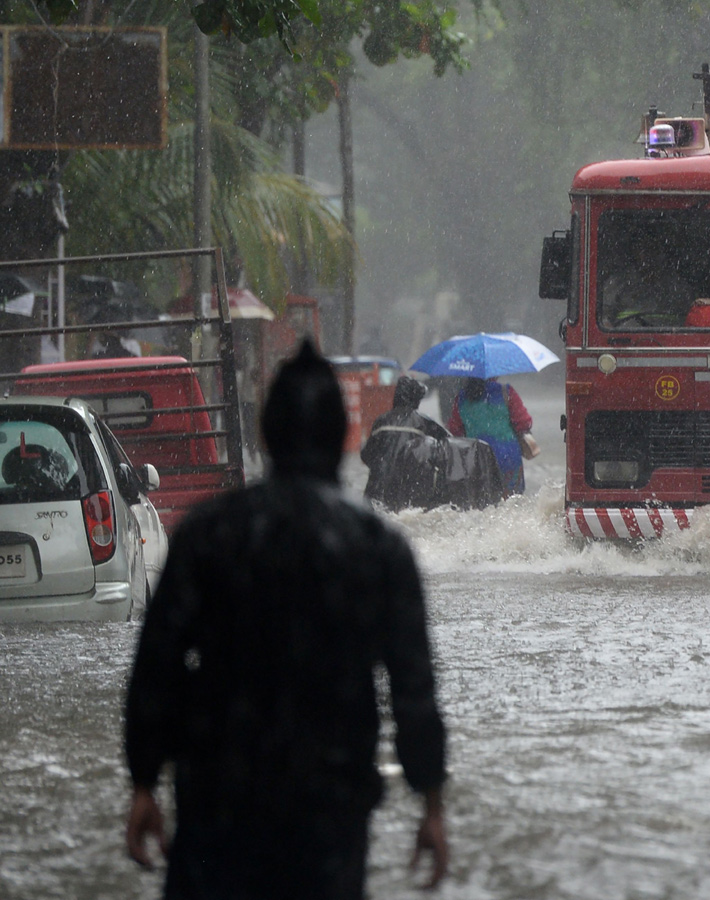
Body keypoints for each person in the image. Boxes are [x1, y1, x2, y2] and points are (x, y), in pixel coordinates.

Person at [123, 340, 449, 897]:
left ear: (267, 436)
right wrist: (431, 804)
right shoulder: (378, 548)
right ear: (338, 437)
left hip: (218, 798)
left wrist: (144, 783)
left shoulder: (208, 533)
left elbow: (157, 663)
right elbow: (412, 689)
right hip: (329, 810)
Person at [362, 375, 504, 511]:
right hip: (404, 486)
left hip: (376, 487)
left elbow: (366, 455)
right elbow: (449, 444)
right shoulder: (423, 422)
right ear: (415, 400)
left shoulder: (381, 421)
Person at [447, 376, 533, 496]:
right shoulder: (506, 392)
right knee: (512, 502)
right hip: (508, 458)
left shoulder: (462, 397)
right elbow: (524, 423)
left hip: (476, 459)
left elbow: (454, 431)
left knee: (481, 502)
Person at [599, 239, 692, 328]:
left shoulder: (677, 285)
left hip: (672, 341)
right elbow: (603, 319)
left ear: (662, 253)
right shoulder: (617, 283)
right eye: (643, 248)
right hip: (628, 342)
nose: (649, 254)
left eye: (654, 248)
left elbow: (692, 319)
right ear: (635, 252)